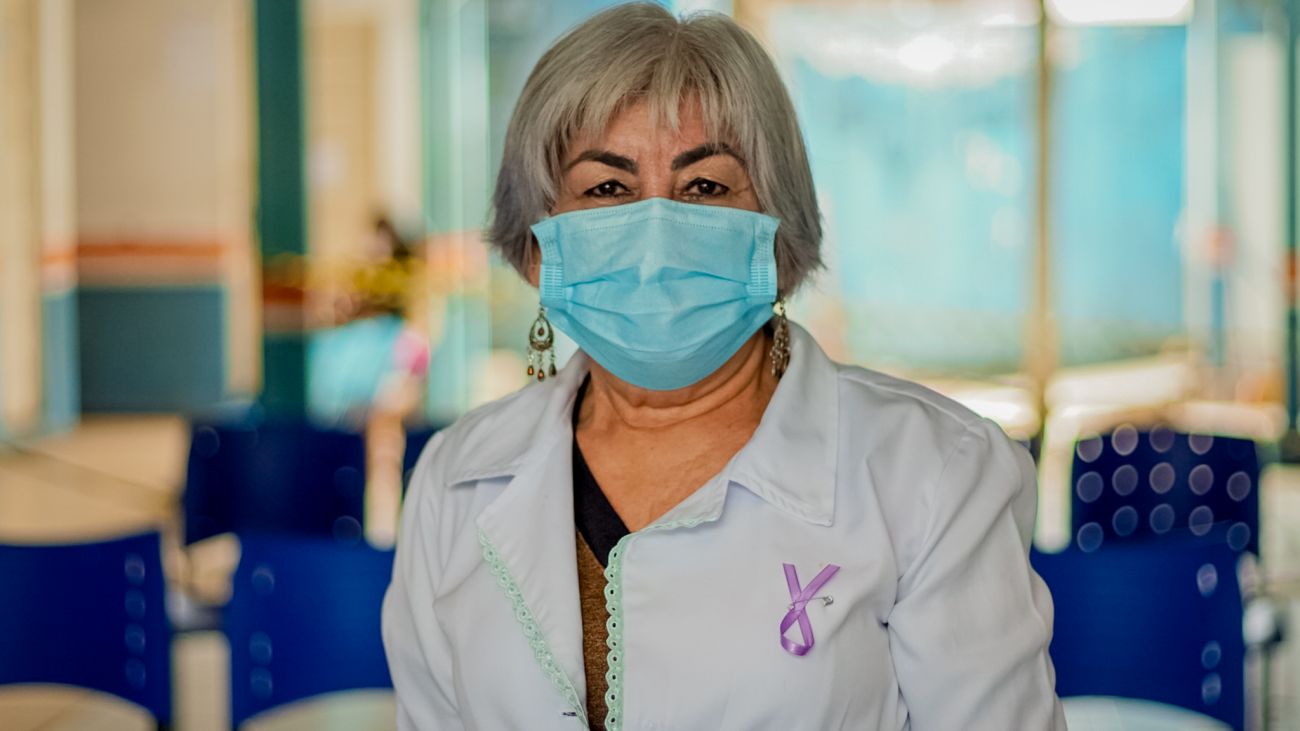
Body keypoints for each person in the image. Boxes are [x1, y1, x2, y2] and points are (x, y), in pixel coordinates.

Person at [382, 4, 1065, 729]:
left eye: (705, 186)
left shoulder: (935, 471)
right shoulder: (454, 480)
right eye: (606, 188)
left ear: (777, 229)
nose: (655, 238)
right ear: (538, 245)